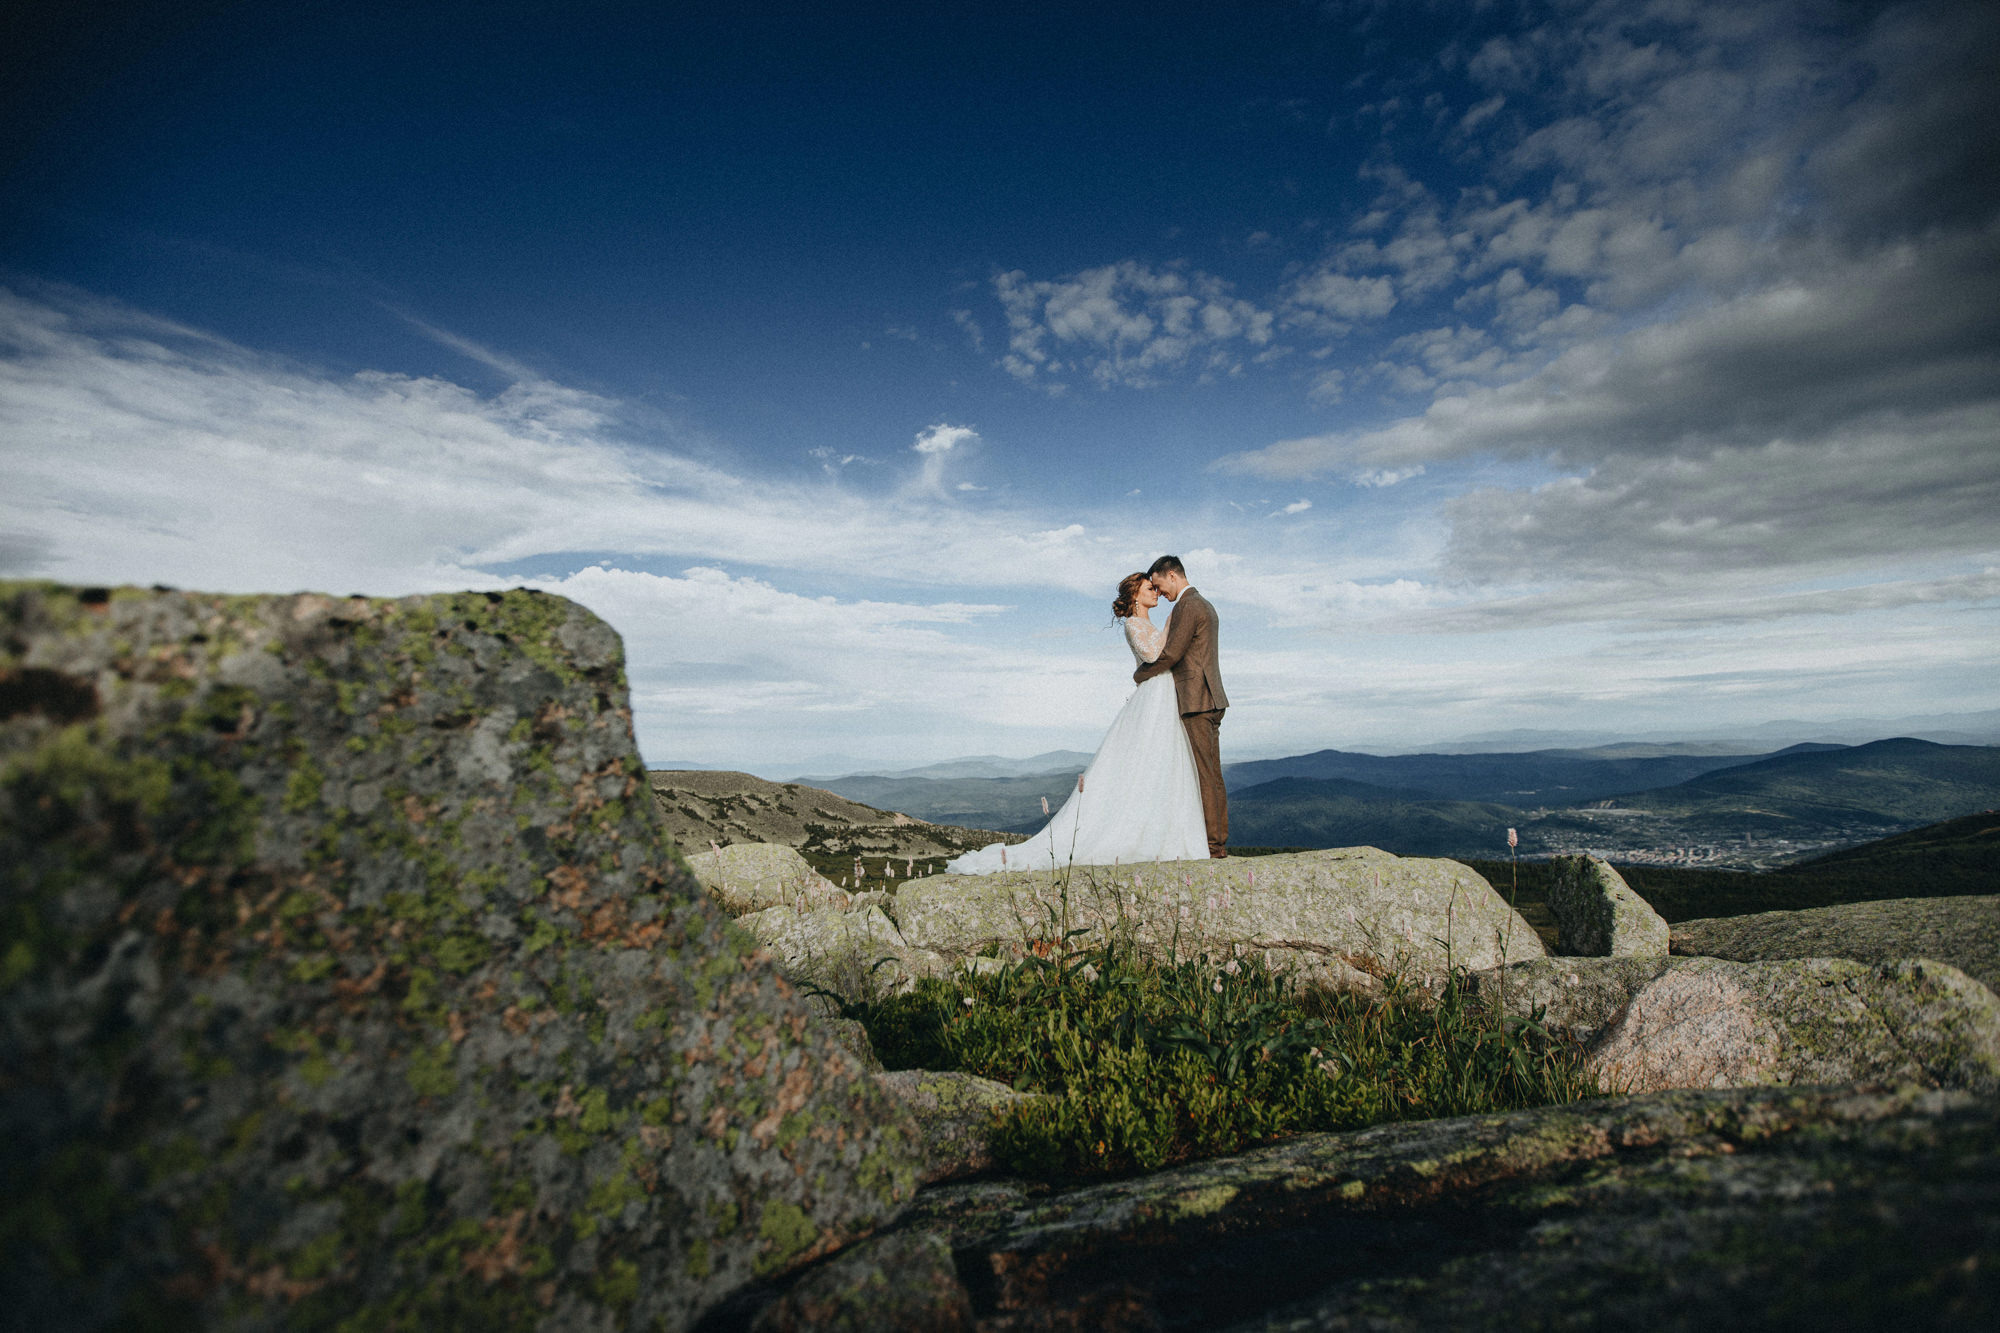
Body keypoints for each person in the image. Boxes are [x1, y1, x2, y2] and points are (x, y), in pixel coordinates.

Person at [945, 570, 1208, 873]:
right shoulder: (1134, 625)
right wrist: (1172, 627)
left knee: (1161, 764)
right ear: (1135, 596)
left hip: (1163, 695)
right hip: (1152, 698)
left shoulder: (1147, 622)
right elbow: (1152, 655)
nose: (1156, 593)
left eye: (1156, 589)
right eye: (1150, 589)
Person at [1132, 555, 1229, 857]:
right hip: (1207, 697)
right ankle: (1214, 842)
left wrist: (1140, 675)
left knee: (1206, 774)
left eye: (1159, 585)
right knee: (1210, 772)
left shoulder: (1188, 605)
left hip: (1198, 700)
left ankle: (1214, 846)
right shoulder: (1203, 604)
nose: (1160, 593)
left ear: (1171, 575)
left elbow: (1172, 653)